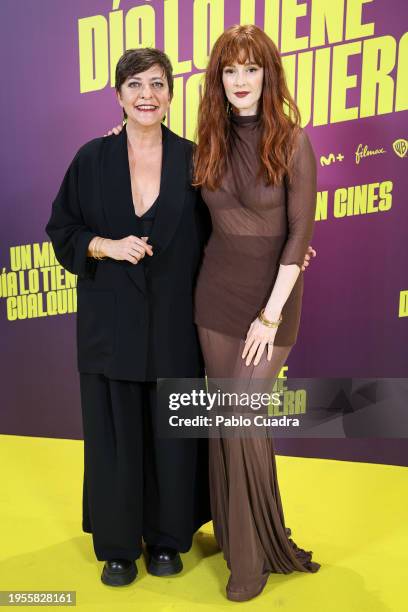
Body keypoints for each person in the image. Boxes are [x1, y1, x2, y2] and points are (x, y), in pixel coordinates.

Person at [45, 48, 212, 587]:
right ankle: (118, 547)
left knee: (171, 436)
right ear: (117, 95)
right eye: (135, 84)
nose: (147, 94)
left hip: (175, 325)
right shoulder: (90, 159)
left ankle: (167, 539)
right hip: (109, 328)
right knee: (114, 438)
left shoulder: (196, 159)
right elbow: (62, 230)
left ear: (170, 93)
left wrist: (282, 253)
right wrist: (105, 246)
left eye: (158, 84)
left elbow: (226, 235)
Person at [192, 24, 321, 601]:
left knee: (243, 419)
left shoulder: (293, 140)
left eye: (251, 68)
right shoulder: (207, 141)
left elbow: (299, 232)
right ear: (218, 79)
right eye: (229, 69)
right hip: (214, 297)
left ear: (268, 73)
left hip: (271, 303)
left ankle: (254, 556)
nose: (240, 80)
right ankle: (243, 539)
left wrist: (269, 316)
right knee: (228, 424)